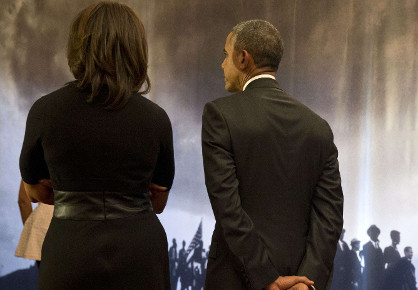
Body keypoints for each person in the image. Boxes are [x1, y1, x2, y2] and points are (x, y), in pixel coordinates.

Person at [19, 2, 174, 289]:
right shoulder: (156, 119)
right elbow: (160, 201)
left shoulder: (44, 111)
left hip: (69, 249)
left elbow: (36, 191)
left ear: (77, 48)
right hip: (140, 250)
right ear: (136, 50)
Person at [201, 19, 344, 290]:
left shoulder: (220, 115)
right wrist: (307, 281)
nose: (222, 64)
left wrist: (267, 278)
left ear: (243, 58)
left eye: (225, 54)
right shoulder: (319, 127)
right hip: (300, 279)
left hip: (237, 279)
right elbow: (330, 215)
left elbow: (227, 207)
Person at [15, 179, 54, 267]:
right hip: (82, 225)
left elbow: (23, 201)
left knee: (49, 278)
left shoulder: (36, 164)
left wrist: (33, 233)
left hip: (43, 228)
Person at [362, 224, 385, 290]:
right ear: (369, 234)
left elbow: (382, 263)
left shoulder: (379, 249)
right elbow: (369, 263)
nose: (376, 234)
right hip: (371, 279)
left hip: (379, 279)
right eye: (373, 232)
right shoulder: (366, 246)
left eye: (377, 232)